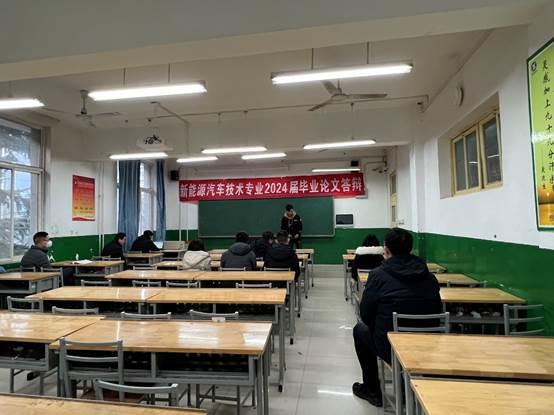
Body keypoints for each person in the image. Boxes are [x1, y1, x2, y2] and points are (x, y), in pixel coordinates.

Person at [352, 228, 441, 408]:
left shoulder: (378, 275)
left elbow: (366, 314)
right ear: (410, 249)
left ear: (386, 250)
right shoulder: (430, 277)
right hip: (428, 344)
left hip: (391, 347)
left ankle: (372, 390)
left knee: (359, 330)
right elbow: (438, 308)